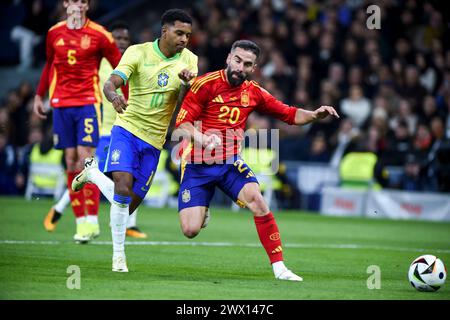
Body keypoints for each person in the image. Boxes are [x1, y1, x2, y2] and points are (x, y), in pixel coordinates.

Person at [174, 40, 339, 281]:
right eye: (238, 60)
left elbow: (289, 113)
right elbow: (182, 124)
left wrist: (314, 115)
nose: (240, 67)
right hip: (197, 165)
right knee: (190, 230)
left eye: (247, 64)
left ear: (254, 68)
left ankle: (280, 268)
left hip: (230, 163)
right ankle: (204, 205)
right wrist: (202, 139)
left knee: (258, 201)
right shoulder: (204, 84)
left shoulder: (253, 92)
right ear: (229, 58)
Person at [72, 9, 198, 272]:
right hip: (127, 129)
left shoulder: (190, 61)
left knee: (128, 205)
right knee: (122, 184)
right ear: (164, 31)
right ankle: (119, 256)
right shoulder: (137, 52)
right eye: (179, 33)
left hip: (155, 140)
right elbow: (111, 82)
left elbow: (184, 105)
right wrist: (114, 94)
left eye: (188, 34)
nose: (184, 39)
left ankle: (93, 175)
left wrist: (187, 86)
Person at [43, 21, 146, 238]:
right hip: (99, 129)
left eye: (125, 39)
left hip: (122, 128)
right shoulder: (100, 64)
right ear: (109, 39)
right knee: (89, 172)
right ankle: (61, 209)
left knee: (130, 173)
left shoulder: (130, 66)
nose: (121, 43)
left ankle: (128, 223)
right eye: (117, 38)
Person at [33, 0, 122, 243]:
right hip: (61, 104)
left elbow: (120, 66)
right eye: (74, 1)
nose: (78, 5)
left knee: (86, 158)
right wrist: (39, 96)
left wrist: (127, 94)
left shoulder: (99, 35)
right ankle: (80, 222)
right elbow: (50, 65)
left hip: (87, 103)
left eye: (83, 1)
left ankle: (92, 221)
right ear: (65, 4)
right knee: (70, 160)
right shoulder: (54, 33)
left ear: (87, 6)